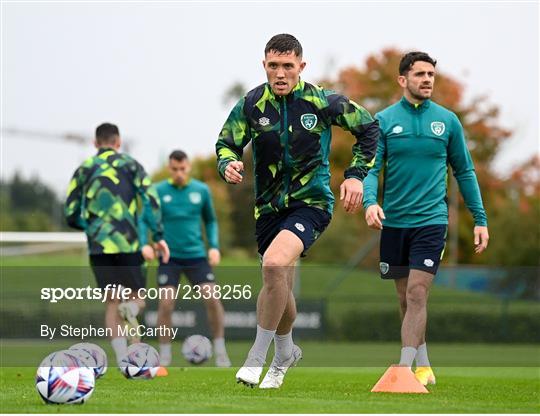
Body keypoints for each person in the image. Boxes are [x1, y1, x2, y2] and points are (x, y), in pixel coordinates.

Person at [216, 33, 379, 388]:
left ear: (301, 67)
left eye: (287, 66)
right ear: (264, 65)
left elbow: (369, 129)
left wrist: (355, 176)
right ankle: (287, 352)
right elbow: (227, 142)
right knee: (278, 284)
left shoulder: (322, 101)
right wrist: (227, 163)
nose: (280, 73)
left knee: (275, 264)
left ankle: (255, 359)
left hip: (311, 204)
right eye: (273, 65)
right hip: (268, 210)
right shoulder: (251, 105)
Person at [362, 52, 489, 385]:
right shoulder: (383, 121)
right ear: (403, 80)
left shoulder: (447, 121)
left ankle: (404, 369)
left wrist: (480, 218)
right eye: (420, 74)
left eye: (431, 74)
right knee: (405, 299)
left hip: (432, 222)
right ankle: (424, 362)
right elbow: (372, 169)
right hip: (393, 223)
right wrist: (370, 203)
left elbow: (465, 170)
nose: (428, 79)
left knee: (418, 293)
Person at [65, 122, 170, 365]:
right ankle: (137, 355)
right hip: (129, 242)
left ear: (95, 143)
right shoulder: (131, 165)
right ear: (118, 142)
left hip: (99, 246)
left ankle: (122, 355)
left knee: (112, 301)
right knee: (136, 300)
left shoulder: (85, 168)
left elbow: (70, 211)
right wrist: (158, 234)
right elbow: (151, 199)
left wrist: (90, 228)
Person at [139, 150, 231, 368]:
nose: (179, 173)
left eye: (183, 168)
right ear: (169, 168)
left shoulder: (201, 190)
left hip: (196, 255)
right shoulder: (158, 191)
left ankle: (220, 350)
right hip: (168, 257)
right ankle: (165, 356)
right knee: (166, 303)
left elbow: (210, 220)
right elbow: (144, 219)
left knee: (212, 299)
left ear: (188, 167)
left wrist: (214, 247)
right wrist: (145, 243)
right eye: (174, 169)